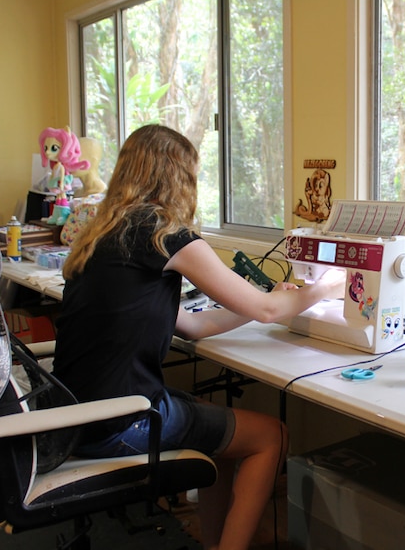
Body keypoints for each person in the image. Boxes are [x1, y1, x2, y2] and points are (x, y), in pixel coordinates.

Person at [53, 124, 345, 550]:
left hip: (76, 416)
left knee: (224, 435)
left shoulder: (104, 235)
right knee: (270, 436)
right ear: (178, 177)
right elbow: (267, 311)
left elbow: (193, 325)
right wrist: (326, 287)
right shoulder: (166, 236)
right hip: (121, 422)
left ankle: (217, 541)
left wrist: (263, 302)